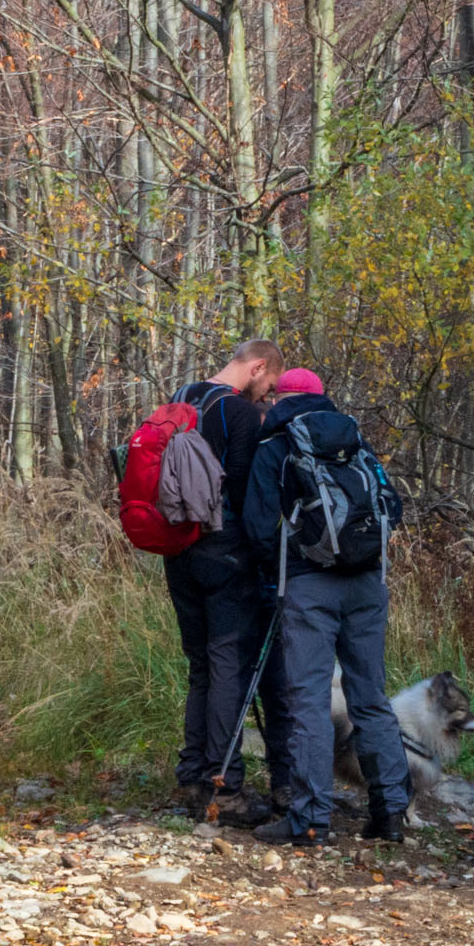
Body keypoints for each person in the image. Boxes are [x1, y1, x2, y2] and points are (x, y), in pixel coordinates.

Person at [242, 367, 411, 845]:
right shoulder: (354, 441)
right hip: (366, 584)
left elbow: (256, 528)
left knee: (308, 701)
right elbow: (391, 508)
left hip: (308, 588)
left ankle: (309, 817)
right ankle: (391, 813)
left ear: (283, 397)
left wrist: (291, 557)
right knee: (371, 699)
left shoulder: (275, 445)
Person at [165, 337, 294, 823]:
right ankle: (225, 788)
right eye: (269, 386)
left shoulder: (184, 395)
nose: (267, 396)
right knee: (227, 668)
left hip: (179, 551)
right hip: (225, 554)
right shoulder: (238, 415)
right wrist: (266, 559)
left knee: (201, 665)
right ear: (258, 367)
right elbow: (245, 494)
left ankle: (193, 776)